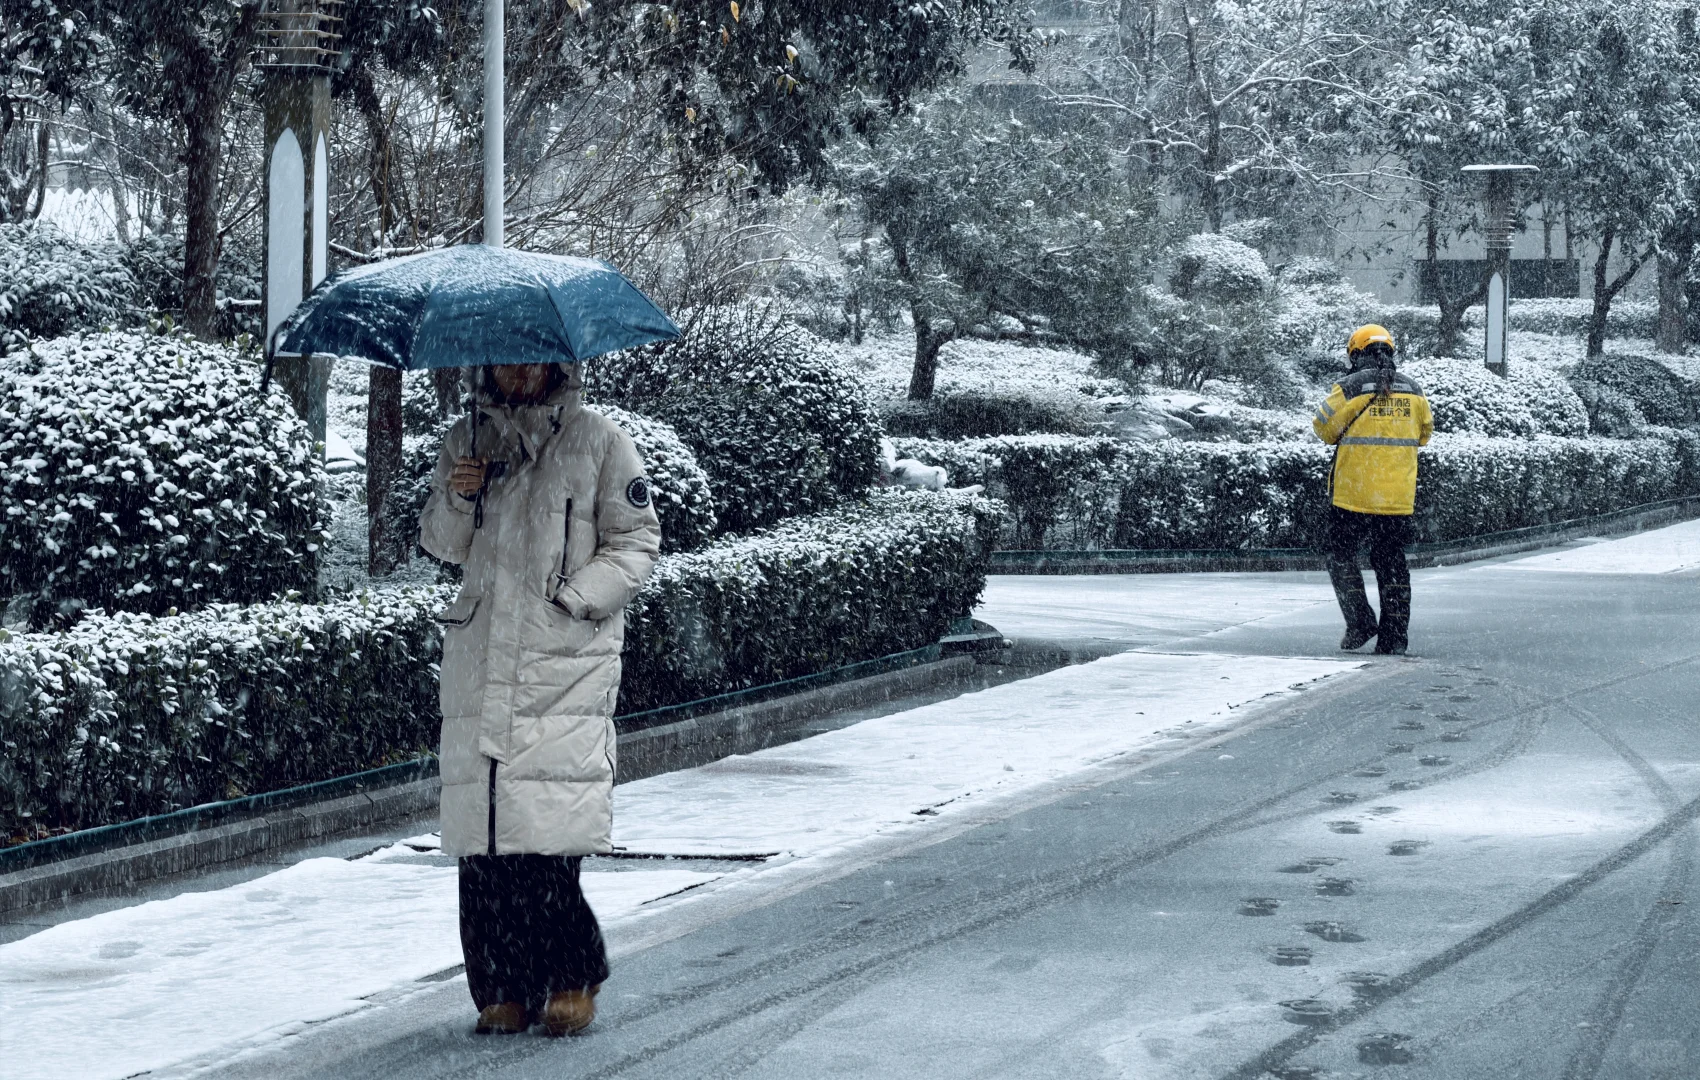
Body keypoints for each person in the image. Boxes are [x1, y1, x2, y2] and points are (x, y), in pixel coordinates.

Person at [419, 360, 660, 1037]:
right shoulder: (464, 440)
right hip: (482, 654)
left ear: (556, 362)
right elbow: (441, 544)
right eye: (504, 356)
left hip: (563, 661)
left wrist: (578, 599)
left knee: (545, 832)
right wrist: (459, 495)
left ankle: (571, 975)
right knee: (486, 834)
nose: (517, 369)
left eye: (530, 356)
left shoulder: (600, 442)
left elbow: (636, 539)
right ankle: (500, 986)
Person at [1311, 325, 1433, 655]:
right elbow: (1424, 435)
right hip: (1397, 499)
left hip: (1352, 495)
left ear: (1355, 354)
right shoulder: (1414, 390)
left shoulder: (1349, 387)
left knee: (1341, 557)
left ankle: (1361, 621)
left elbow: (1322, 427)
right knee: (1392, 564)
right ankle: (1394, 638)